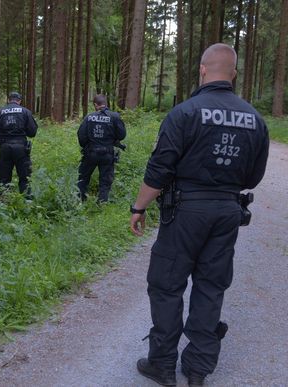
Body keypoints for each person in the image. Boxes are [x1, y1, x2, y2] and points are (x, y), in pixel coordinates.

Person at [130, 44, 269, 387]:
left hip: (184, 211)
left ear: (203, 70)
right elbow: (252, 177)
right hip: (226, 212)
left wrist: (139, 207)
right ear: (233, 74)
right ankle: (197, 370)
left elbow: (159, 168)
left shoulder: (185, 113)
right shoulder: (255, 120)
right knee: (211, 285)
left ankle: (162, 364)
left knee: (167, 284)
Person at [77, 94, 127, 203]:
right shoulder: (114, 117)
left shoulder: (89, 117)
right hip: (107, 153)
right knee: (105, 180)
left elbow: (81, 136)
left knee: (83, 178)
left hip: (90, 153)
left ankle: (80, 201)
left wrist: (86, 146)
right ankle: (102, 203)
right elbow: (122, 135)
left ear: (95, 105)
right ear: (106, 104)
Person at [0, 92, 38, 196]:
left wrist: (2, 143)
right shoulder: (25, 112)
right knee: (25, 177)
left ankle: (2, 203)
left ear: (9, 100)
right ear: (19, 101)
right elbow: (32, 132)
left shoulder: (0, 112)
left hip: (5, 147)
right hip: (21, 148)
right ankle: (27, 202)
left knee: (4, 178)